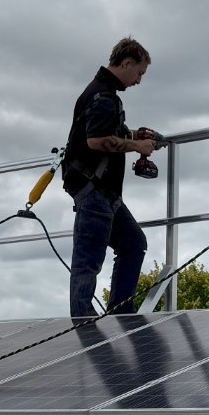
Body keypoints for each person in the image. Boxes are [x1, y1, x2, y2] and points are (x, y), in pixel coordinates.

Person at [61, 36, 159, 319]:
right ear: (127, 62)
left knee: (133, 243)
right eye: (139, 72)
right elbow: (96, 140)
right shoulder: (103, 96)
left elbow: (104, 132)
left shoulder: (100, 93)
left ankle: (121, 312)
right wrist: (137, 146)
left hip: (106, 194)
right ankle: (83, 321)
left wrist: (132, 134)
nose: (139, 80)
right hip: (95, 191)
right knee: (88, 260)